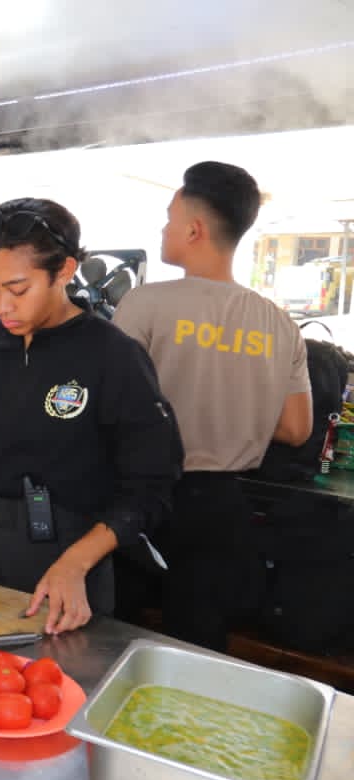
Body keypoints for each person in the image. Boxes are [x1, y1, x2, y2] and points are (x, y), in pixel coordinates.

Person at [0, 198, 182, 635]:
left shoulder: (112, 355)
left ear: (64, 271)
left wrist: (76, 562)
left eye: (17, 290)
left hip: (64, 559)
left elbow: (151, 486)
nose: (1, 306)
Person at [113, 161, 311, 652]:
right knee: (197, 650)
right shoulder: (278, 323)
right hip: (223, 511)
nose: (164, 229)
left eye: (169, 218)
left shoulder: (143, 304)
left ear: (194, 229)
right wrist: (234, 410)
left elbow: (108, 408)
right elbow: (296, 427)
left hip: (144, 501)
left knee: (115, 638)